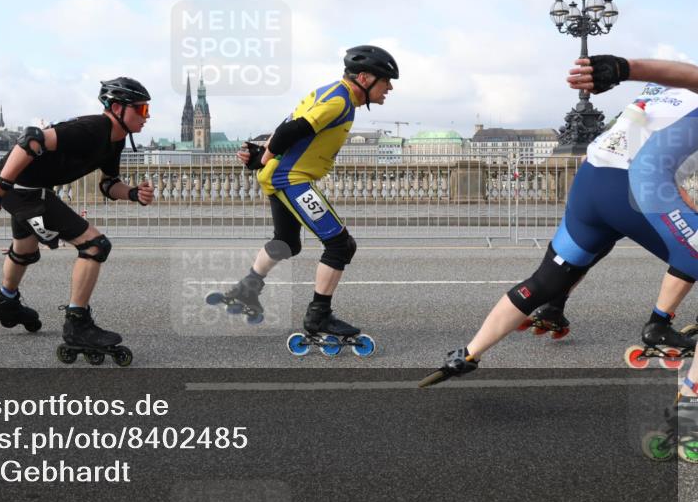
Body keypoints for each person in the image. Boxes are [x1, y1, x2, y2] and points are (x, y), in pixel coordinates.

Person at [420, 55, 698, 399]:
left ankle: (467, 354)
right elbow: (687, 75)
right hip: (635, 190)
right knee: (688, 254)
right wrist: (625, 67)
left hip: (591, 182)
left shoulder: (658, 95)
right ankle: (689, 409)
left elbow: (672, 79)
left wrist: (626, 71)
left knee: (544, 281)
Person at [208, 45, 398, 358]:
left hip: (279, 175)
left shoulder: (332, 94)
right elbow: (292, 129)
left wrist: (261, 154)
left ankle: (246, 289)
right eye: (385, 80)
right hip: (290, 179)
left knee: (286, 243)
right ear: (364, 78)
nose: (389, 87)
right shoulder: (339, 100)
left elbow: (291, 126)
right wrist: (265, 155)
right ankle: (318, 317)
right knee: (340, 245)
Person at [0, 77, 153, 367]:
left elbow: (108, 185)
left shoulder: (115, 139)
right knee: (95, 246)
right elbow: (31, 139)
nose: (147, 117)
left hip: (28, 188)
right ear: (119, 108)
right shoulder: (93, 128)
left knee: (25, 250)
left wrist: (133, 193)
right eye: (142, 109)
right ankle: (77, 324)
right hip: (22, 189)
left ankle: (6, 301)